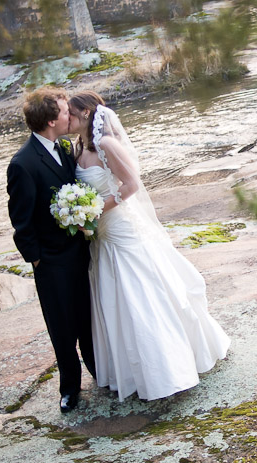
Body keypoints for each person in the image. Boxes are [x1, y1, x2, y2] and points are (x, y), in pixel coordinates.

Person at [67, 90, 230, 401]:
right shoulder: (79, 148)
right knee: (115, 299)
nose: (69, 120)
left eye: (72, 115)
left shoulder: (106, 144)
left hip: (119, 229)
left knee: (139, 294)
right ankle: (127, 370)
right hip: (101, 237)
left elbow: (131, 185)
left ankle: (166, 369)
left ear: (86, 114)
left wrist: (96, 210)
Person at [6, 87, 95, 413]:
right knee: (62, 328)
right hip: (52, 262)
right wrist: (38, 259)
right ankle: (70, 388)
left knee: (88, 319)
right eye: (63, 110)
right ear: (49, 120)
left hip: (81, 253)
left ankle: (100, 373)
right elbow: (21, 220)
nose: (69, 112)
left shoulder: (65, 146)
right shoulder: (23, 163)